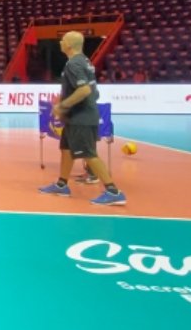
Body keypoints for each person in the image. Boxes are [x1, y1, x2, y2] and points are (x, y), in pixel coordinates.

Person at [39, 31, 127, 206]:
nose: (60, 43)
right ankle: (61, 185)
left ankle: (113, 191)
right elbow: (94, 91)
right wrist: (64, 100)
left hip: (81, 118)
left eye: (63, 40)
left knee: (88, 154)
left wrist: (62, 106)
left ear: (69, 45)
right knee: (66, 149)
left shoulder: (74, 64)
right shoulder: (85, 62)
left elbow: (84, 90)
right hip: (77, 117)